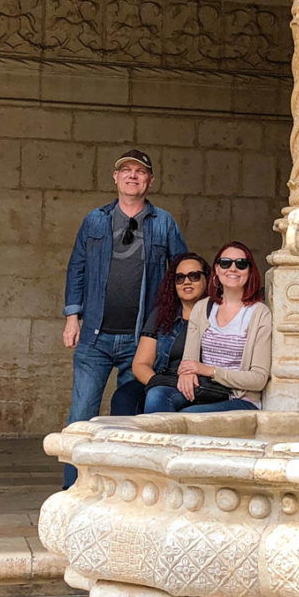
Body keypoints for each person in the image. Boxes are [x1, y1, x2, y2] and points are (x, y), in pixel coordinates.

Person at [61, 149, 187, 489]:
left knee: (130, 417)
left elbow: (182, 272)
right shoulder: (95, 220)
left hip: (141, 341)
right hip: (95, 336)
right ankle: (73, 488)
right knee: (81, 416)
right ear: (115, 178)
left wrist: (175, 323)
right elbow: (77, 268)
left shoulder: (164, 223)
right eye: (126, 171)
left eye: (140, 171)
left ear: (150, 181)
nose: (133, 175)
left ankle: (123, 489)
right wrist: (73, 316)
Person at [144, 241, 272, 414]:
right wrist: (187, 374)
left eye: (241, 264)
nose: (232, 269)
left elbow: (258, 379)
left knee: (187, 416)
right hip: (205, 390)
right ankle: (154, 442)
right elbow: (189, 361)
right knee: (157, 395)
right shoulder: (203, 308)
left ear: (249, 272)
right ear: (217, 270)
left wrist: (209, 371)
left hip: (239, 398)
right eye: (225, 263)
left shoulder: (260, 313)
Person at [108, 254, 211, 415]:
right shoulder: (162, 315)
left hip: (199, 385)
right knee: (124, 395)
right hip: (161, 379)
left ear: (207, 280)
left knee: (158, 397)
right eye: (180, 278)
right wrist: (158, 383)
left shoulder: (218, 315)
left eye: (194, 276)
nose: (187, 281)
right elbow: (140, 364)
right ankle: (124, 440)